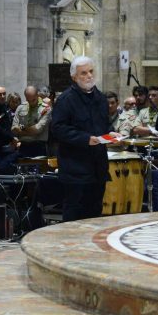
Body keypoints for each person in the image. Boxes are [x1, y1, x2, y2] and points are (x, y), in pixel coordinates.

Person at [50, 56, 112, 222]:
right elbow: (58, 129)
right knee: (75, 212)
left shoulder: (101, 99)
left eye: (91, 71)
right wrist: (85, 139)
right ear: (74, 77)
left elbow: (104, 126)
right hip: (75, 168)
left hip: (98, 167)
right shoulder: (66, 99)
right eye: (83, 73)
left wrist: (112, 134)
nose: (89, 76)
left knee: (95, 211)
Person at [13, 85, 51, 157]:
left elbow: (37, 130)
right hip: (23, 146)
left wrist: (21, 129)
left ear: (37, 95)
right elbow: (14, 129)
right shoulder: (21, 107)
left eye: (33, 100)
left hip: (38, 147)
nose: (31, 103)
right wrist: (29, 130)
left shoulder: (46, 109)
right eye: (28, 100)